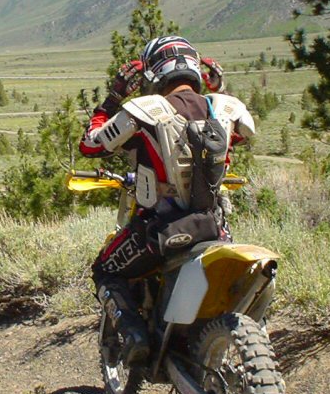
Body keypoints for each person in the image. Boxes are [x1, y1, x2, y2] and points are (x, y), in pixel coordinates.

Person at [79, 36, 255, 365]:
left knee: (105, 269)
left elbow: (90, 145)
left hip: (162, 231)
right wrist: (219, 88)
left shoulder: (143, 110)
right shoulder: (226, 108)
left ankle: (134, 336)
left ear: (154, 72)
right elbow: (240, 135)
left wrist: (114, 97)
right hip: (216, 228)